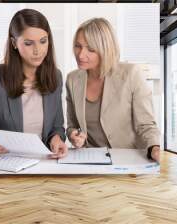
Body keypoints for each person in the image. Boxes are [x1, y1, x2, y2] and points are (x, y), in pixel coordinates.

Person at [0, 9, 68, 158]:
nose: (38, 50)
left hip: (44, 161)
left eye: (43, 41)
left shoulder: (56, 76)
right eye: (29, 43)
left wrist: (56, 138)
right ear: (14, 43)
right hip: (7, 160)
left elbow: (57, 127)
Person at [66, 18, 160, 162]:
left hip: (129, 161)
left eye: (90, 49)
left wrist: (155, 149)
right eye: (78, 46)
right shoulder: (72, 79)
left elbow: (146, 125)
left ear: (105, 49)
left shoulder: (131, 74)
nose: (80, 54)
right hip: (90, 162)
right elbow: (72, 125)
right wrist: (73, 135)